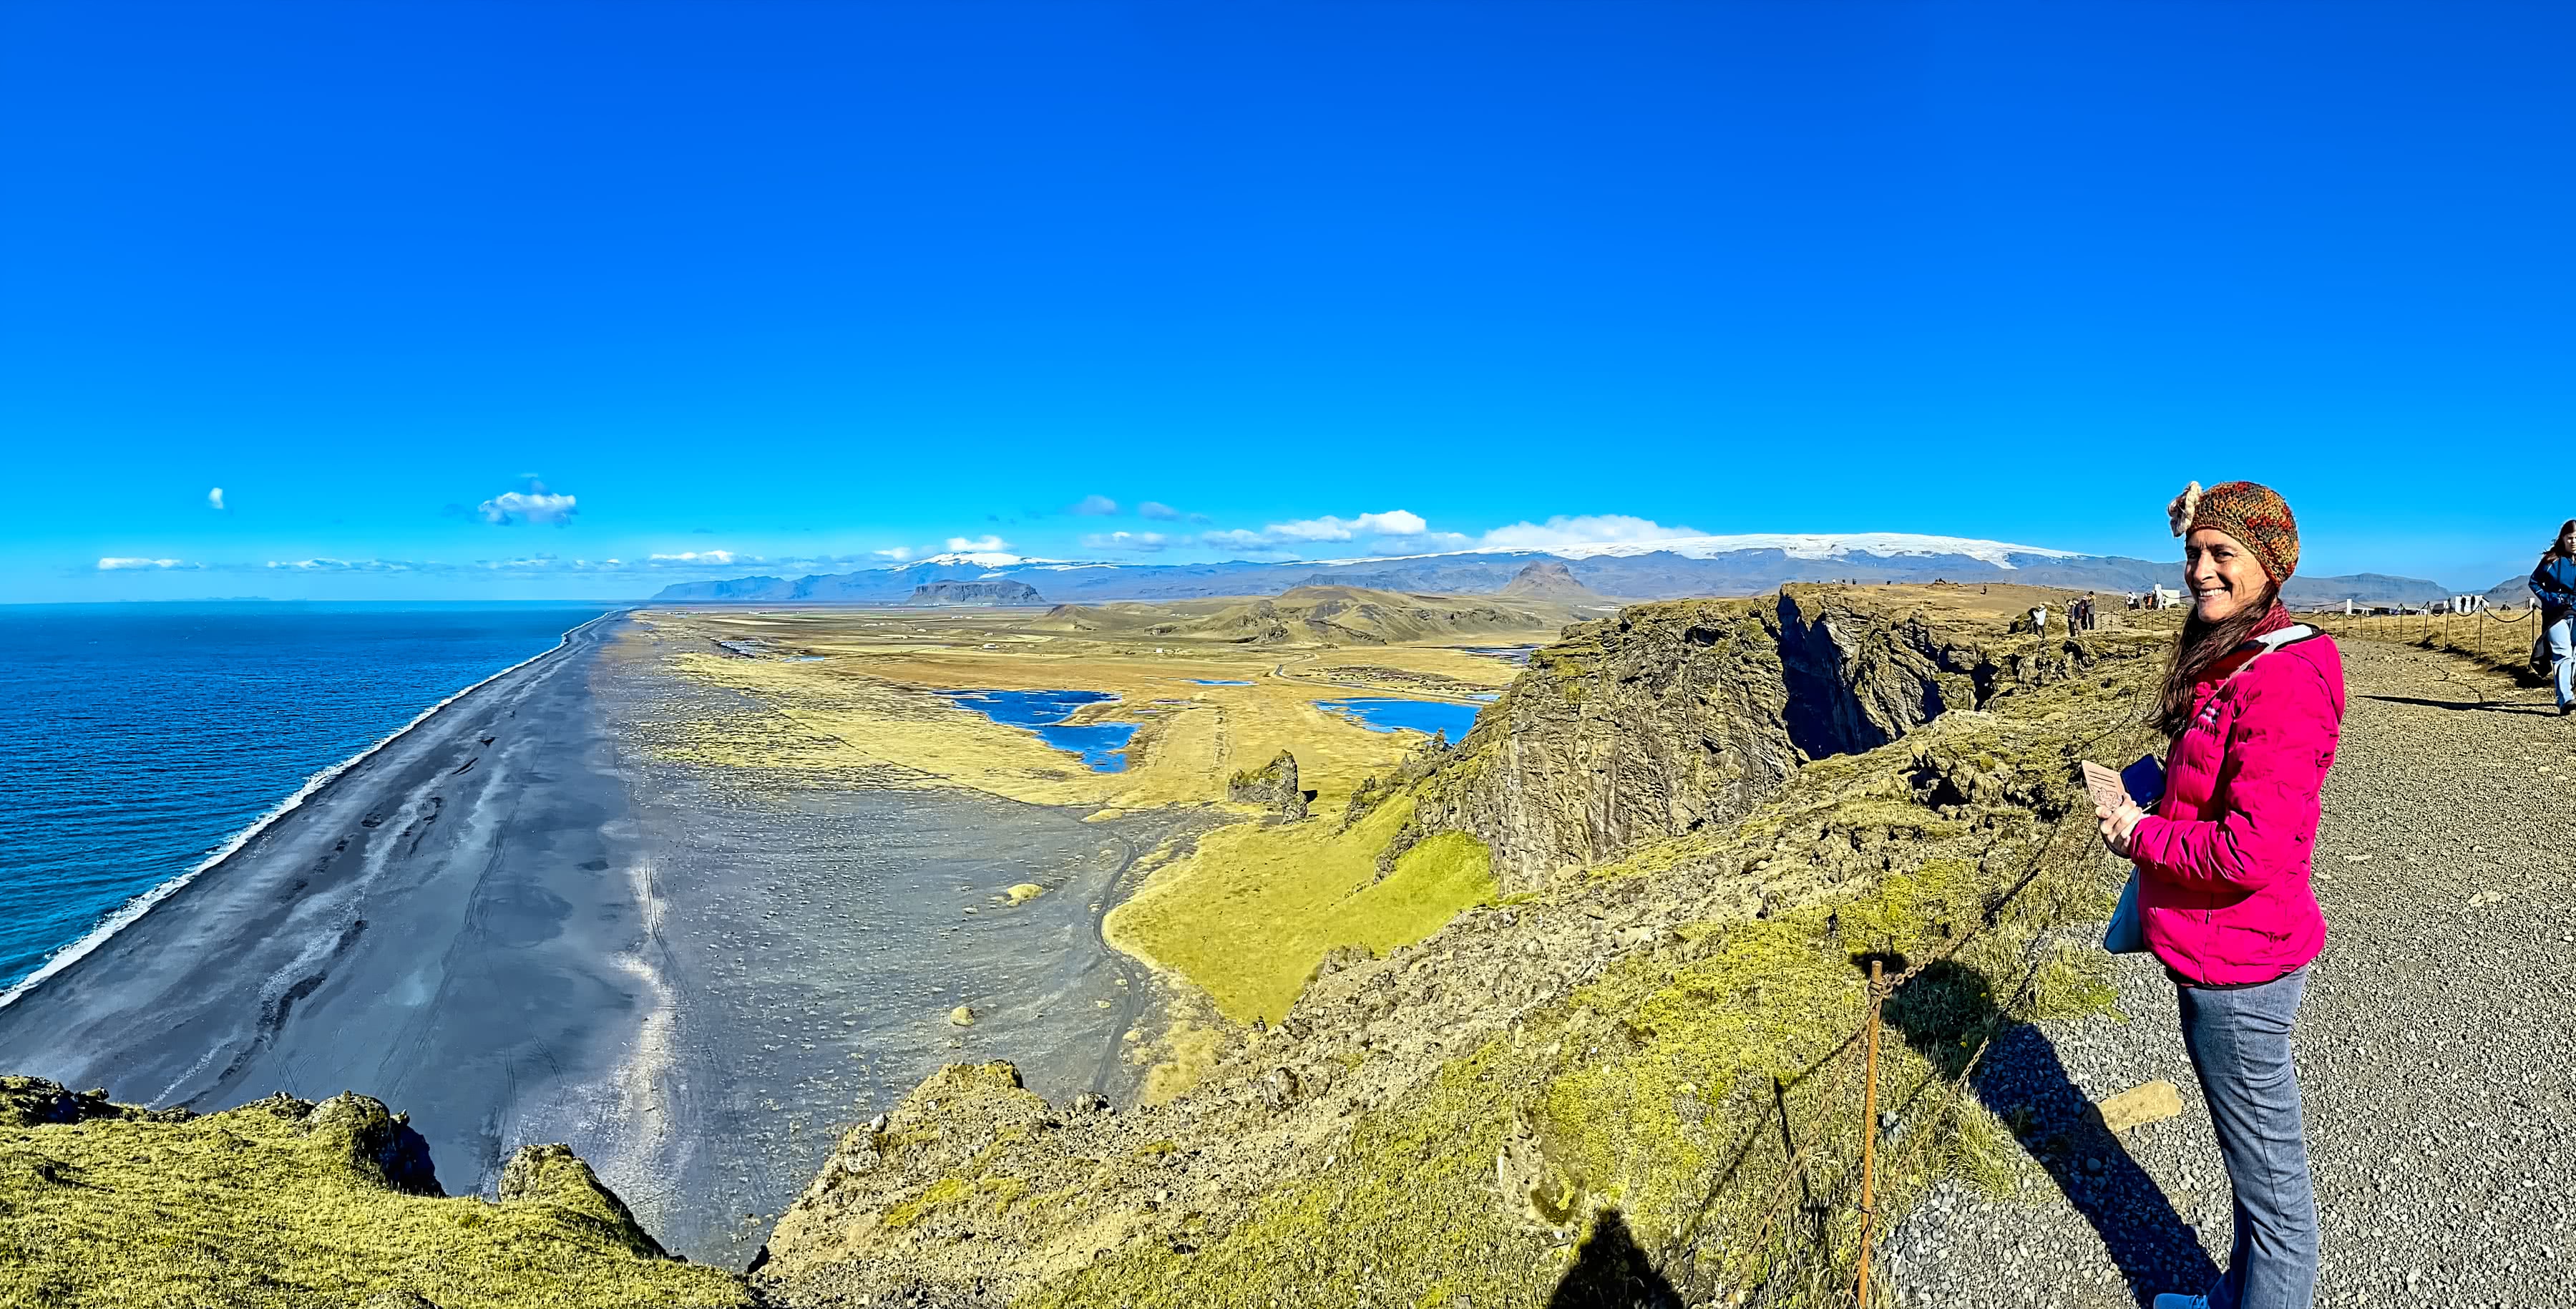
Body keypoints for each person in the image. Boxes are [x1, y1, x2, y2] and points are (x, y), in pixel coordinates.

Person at [2097, 480, 2342, 1309]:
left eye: (2222, 555)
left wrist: (2138, 833)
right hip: (2222, 951)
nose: (2201, 570)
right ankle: (2225, 1299)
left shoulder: (2284, 678)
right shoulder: (2243, 647)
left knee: (2278, 1207)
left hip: (2238, 970)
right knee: (2254, 1175)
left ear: (2271, 568)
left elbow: (2252, 848)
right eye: (2193, 553)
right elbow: (2209, 765)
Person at [2528, 520, 2576, 715]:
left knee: (2573, 654)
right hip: (2554, 615)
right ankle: (2565, 698)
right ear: (2563, 539)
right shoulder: (2552, 560)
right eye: (2570, 538)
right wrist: (2550, 599)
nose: (2573, 542)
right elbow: (2534, 582)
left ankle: (2568, 688)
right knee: (2563, 652)